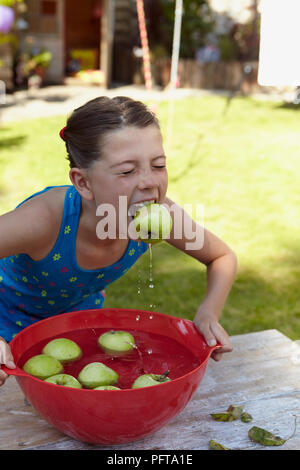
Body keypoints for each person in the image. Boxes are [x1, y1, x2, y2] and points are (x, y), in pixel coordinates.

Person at [0, 96, 237, 386]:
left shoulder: (160, 215)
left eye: (158, 165)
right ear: (83, 183)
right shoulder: (44, 221)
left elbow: (222, 257)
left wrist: (208, 314)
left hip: (77, 328)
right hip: (6, 329)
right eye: (127, 171)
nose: (150, 182)